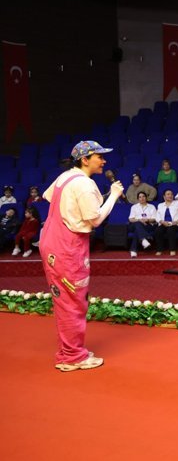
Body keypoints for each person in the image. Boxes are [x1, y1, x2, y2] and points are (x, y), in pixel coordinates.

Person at [40, 140, 124, 372]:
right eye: (99, 156)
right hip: (68, 246)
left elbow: (49, 197)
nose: (104, 161)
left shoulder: (65, 177)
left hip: (52, 240)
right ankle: (72, 357)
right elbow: (95, 219)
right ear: (85, 159)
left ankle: (68, 350)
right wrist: (114, 195)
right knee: (73, 302)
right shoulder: (85, 185)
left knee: (64, 300)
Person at [154, 189, 178, 256]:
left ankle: (172, 249)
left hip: (176, 224)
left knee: (171, 230)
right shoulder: (160, 205)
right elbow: (157, 216)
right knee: (158, 230)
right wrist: (161, 221)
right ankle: (159, 249)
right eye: (168, 194)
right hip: (164, 223)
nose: (170, 195)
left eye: (171, 194)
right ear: (164, 196)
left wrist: (176, 221)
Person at [128, 191, 157, 258]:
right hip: (135, 224)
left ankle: (134, 250)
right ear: (138, 199)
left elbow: (155, 218)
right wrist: (139, 220)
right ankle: (144, 239)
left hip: (148, 225)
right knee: (138, 224)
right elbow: (130, 219)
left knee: (137, 231)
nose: (142, 198)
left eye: (143, 196)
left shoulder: (151, 207)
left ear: (146, 198)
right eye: (140, 197)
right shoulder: (134, 207)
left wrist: (148, 220)